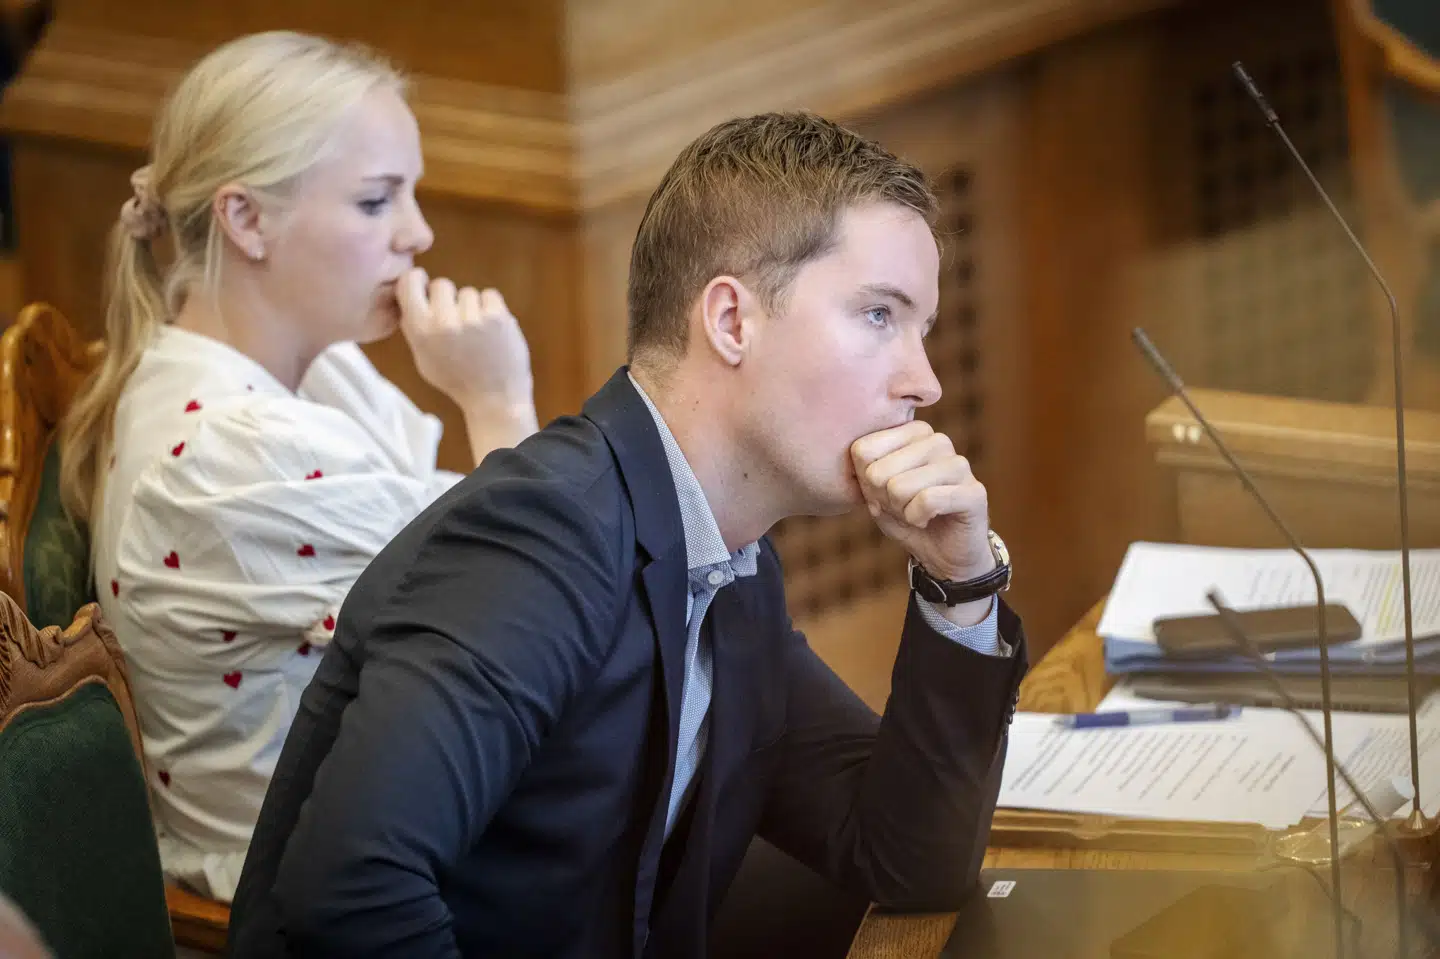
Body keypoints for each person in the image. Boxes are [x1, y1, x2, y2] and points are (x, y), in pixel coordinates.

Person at [228, 111, 1028, 958]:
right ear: (731, 321)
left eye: (923, 329)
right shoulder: (541, 534)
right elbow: (351, 889)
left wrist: (959, 580)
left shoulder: (732, 562)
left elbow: (909, 859)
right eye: (878, 316)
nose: (926, 382)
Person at [55, 31, 538, 903]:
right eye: (375, 201)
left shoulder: (310, 370)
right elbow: (526, 610)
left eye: (411, 196)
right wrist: (499, 405)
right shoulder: (229, 452)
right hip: (332, 888)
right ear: (247, 220)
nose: (418, 233)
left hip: (403, 812)